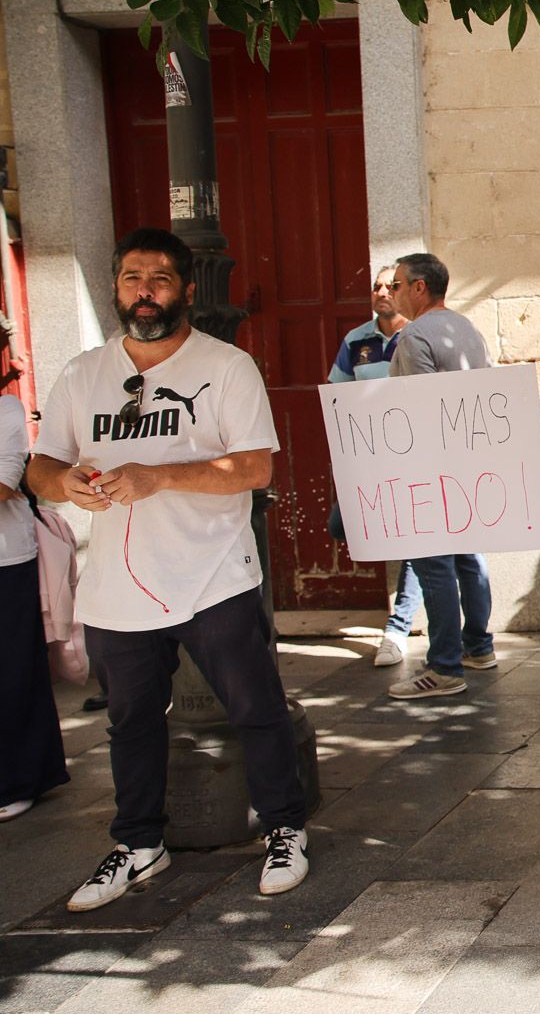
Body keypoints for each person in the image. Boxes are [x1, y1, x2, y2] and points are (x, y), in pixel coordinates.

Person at [27, 227, 308, 908]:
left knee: (255, 708)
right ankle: (139, 844)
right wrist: (67, 484)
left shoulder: (226, 367)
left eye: (158, 278)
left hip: (214, 575)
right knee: (131, 722)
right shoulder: (83, 374)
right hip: (118, 583)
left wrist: (160, 477)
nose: (144, 291)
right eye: (132, 278)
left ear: (184, 289)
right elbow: (41, 467)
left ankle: (285, 828)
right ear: (116, 288)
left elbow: (255, 467)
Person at [383, 252, 496, 699]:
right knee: (468, 557)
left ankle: (445, 667)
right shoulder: (467, 328)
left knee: (434, 566)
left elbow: (421, 406)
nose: (390, 293)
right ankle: (479, 647)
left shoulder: (414, 335)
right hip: (467, 463)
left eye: (396, 285)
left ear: (418, 287)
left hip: (430, 466)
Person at [325, 265, 424, 669]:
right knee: (340, 525)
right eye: (376, 286)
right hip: (370, 458)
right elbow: (337, 393)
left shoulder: (418, 336)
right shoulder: (356, 340)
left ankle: (397, 629)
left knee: (417, 539)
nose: (382, 291)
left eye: (391, 285)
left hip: (415, 456)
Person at [1, 323, 69, 822]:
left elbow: (5, 484)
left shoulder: (6, 411)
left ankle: (21, 778)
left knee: (13, 670)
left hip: (6, 559)